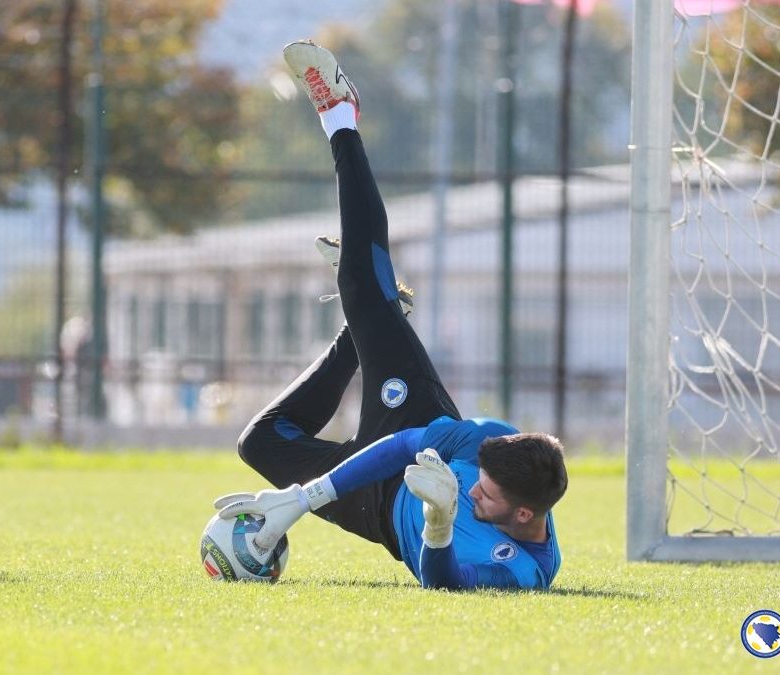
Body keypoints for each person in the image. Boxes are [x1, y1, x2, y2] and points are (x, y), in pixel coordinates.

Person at [215, 41, 568, 591]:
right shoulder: (488, 442)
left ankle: (371, 322)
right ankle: (339, 115)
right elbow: (406, 447)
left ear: (523, 516)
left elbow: (443, 583)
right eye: (479, 483)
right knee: (357, 279)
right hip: (407, 429)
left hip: (376, 515)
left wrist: (440, 525)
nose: (473, 487)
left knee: (260, 443)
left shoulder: (522, 570)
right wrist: (300, 502)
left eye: (486, 495)